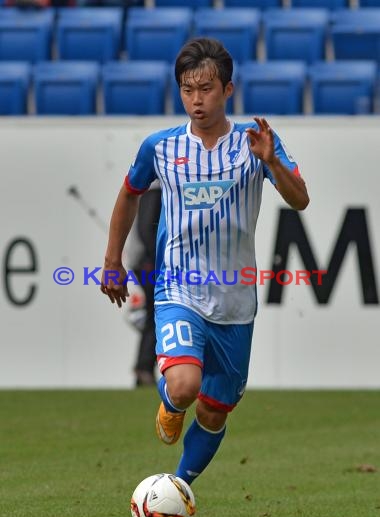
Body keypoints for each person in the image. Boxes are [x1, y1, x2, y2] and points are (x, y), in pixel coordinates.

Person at [100, 37, 309, 486]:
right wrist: (112, 259)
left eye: (207, 89)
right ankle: (171, 404)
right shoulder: (160, 147)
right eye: (188, 89)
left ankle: (176, 487)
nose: (197, 99)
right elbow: (129, 194)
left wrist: (272, 162)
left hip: (236, 302)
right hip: (178, 287)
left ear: (228, 91)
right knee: (185, 386)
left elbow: (301, 200)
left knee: (214, 412)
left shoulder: (255, 145)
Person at [132, 182, 161, 387]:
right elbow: (146, 230)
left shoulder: (151, 191)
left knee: (154, 315)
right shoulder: (155, 191)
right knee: (154, 315)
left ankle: (144, 369)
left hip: (146, 262)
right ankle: (143, 369)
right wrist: (157, 259)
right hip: (149, 264)